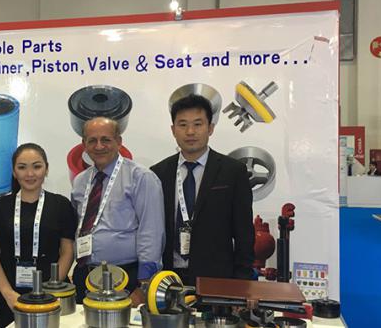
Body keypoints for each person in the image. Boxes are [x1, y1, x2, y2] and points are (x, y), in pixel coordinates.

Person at [150, 95, 254, 286]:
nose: (190, 132)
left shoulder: (233, 171)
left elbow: (244, 234)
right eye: (182, 125)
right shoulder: (158, 173)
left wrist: (242, 281)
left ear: (210, 128)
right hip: (167, 277)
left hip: (217, 277)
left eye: (198, 124)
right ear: (173, 130)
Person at [70, 117, 164, 305]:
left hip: (127, 277)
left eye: (106, 139)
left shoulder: (140, 177)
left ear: (119, 142)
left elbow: (152, 232)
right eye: (92, 140)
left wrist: (144, 286)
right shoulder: (80, 181)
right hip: (86, 275)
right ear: (84, 144)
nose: (99, 146)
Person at [0, 143, 76, 327]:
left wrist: (51, 289)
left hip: (52, 294)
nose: (30, 174)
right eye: (22, 167)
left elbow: (67, 252)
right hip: (10, 294)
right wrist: (8, 293)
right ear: (14, 172)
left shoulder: (61, 205)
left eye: (37, 166)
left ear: (46, 169)